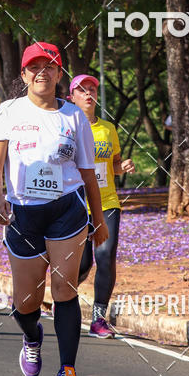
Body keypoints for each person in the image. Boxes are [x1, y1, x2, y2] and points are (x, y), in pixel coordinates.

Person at [0, 42, 108, 376]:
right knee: (26, 303)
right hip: (23, 213)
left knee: (65, 290)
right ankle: (31, 335)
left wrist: (97, 220)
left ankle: (67, 371)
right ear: (24, 75)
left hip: (66, 210)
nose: (42, 71)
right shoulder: (9, 111)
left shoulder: (73, 116)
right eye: (34, 66)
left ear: (58, 74)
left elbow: (88, 175)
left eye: (50, 65)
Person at [69, 75, 135, 338]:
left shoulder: (108, 128)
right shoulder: (67, 128)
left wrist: (123, 167)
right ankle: (62, 297)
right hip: (75, 205)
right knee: (82, 264)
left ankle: (99, 318)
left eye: (92, 89)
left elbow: (113, 165)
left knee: (105, 257)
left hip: (107, 202)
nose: (88, 94)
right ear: (72, 96)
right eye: (82, 90)